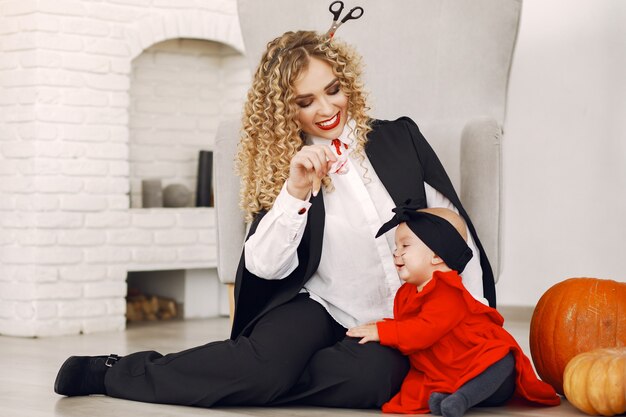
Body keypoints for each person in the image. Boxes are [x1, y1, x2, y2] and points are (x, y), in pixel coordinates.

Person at [54, 29, 496, 409]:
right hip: (317, 304)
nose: (326, 109)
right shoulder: (288, 163)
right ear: (286, 109)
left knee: (375, 380)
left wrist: (477, 321)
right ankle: (115, 372)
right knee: (262, 366)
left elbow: (458, 236)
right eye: (305, 101)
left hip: (403, 315)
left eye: (333, 89)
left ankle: (263, 377)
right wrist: (296, 190)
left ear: (348, 83)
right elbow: (264, 266)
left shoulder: (401, 137)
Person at [347, 205, 560, 415]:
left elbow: (424, 330)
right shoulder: (406, 294)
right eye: (396, 246)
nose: (396, 252)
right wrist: (384, 326)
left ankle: (463, 398)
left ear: (437, 256)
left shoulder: (448, 290)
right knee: (425, 382)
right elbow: (409, 325)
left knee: (504, 359)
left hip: (482, 366)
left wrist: (384, 332)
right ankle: (454, 395)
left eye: (405, 246)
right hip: (447, 367)